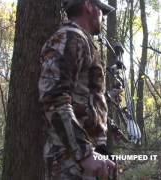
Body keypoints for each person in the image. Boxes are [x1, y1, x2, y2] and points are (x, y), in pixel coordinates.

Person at [38, 0, 116, 179]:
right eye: (101, 10)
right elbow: (54, 98)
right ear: (88, 5)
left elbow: (83, 98)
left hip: (86, 155)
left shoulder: (80, 40)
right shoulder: (68, 38)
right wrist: (85, 154)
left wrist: (101, 126)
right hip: (71, 160)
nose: (102, 17)